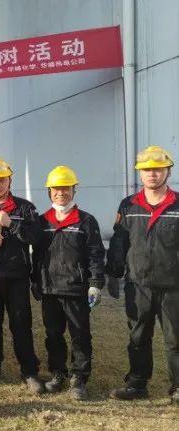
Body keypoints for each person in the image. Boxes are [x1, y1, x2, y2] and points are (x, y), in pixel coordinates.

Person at [107, 146, 179, 403]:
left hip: (174, 286)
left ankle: (178, 388)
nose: (152, 174)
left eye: (158, 169)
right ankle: (137, 384)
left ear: (168, 171)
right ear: (140, 173)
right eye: (147, 170)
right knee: (138, 337)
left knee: (175, 340)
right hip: (138, 285)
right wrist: (113, 273)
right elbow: (119, 241)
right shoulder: (129, 205)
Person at [0, 158, 45, 394]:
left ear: (9, 180)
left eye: (1, 180)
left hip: (17, 276)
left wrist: (11, 224)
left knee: (20, 323)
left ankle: (29, 370)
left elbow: (35, 237)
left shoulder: (25, 208)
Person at [32, 166, 105, 400]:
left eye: (66, 188)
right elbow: (37, 255)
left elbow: (96, 254)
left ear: (74, 190)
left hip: (76, 289)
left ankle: (79, 378)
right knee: (53, 334)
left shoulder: (86, 221)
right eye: (56, 188)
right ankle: (58, 373)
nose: (61, 193)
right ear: (49, 191)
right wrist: (36, 281)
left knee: (80, 335)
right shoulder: (42, 221)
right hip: (50, 289)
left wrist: (95, 283)